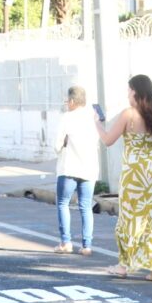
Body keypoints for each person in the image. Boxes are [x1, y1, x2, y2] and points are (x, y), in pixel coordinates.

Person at [94, 74, 152, 282]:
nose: (127, 94)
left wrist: (97, 123)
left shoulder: (129, 115)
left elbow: (107, 140)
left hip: (135, 173)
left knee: (130, 218)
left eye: (128, 90)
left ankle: (124, 266)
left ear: (136, 91)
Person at [52, 85, 100, 255]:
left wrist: (64, 143)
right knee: (86, 206)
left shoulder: (67, 117)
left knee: (63, 203)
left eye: (67, 100)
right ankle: (87, 245)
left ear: (72, 101)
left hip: (69, 167)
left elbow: (57, 146)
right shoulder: (92, 118)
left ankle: (66, 242)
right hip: (89, 169)